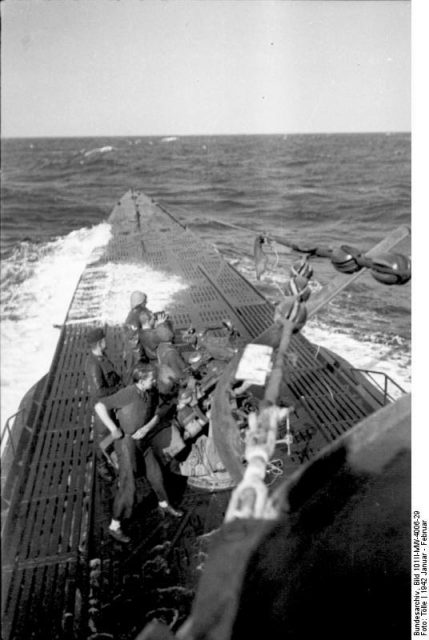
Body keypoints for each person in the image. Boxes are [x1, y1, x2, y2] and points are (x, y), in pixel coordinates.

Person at [94, 362, 183, 544]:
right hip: (126, 443)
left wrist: (148, 427)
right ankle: (115, 526)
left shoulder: (149, 392)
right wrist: (113, 428)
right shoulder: (128, 393)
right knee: (128, 486)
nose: (154, 381)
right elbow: (100, 406)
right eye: (151, 379)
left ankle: (164, 504)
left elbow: (159, 408)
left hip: (143, 442)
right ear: (141, 380)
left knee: (156, 474)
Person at [84, 327, 123, 482]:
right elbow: (98, 392)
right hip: (103, 408)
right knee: (103, 437)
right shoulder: (93, 364)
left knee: (109, 434)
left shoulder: (101, 357)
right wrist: (118, 389)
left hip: (110, 402)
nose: (107, 341)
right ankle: (101, 465)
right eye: (104, 339)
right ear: (100, 343)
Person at [123, 291, 150, 381]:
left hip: (130, 354)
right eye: (145, 302)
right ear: (141, 303)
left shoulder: (132, 315)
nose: (146, 304)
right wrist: (142, 360)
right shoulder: (138, 315)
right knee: (136, 379)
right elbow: (135, 343)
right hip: (136, 358)